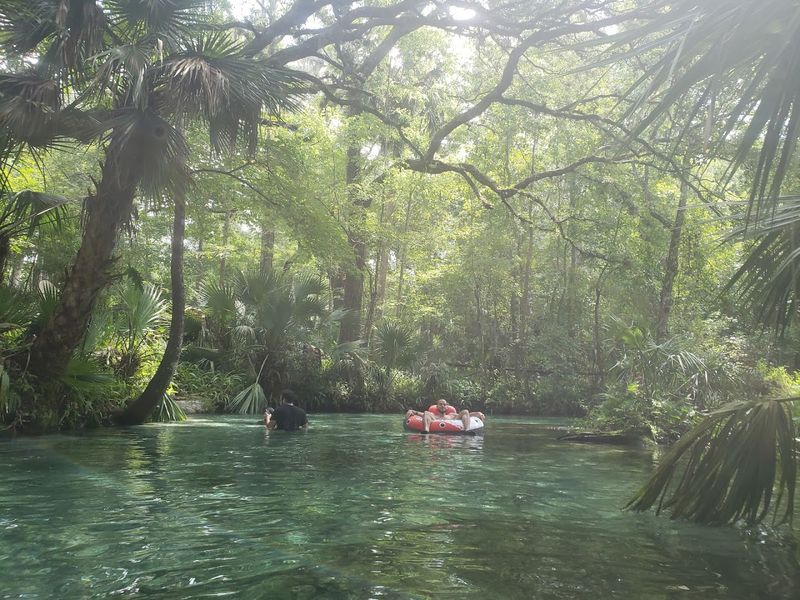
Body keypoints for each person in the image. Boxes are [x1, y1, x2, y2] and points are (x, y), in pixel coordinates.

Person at [406, 398, 485, 433]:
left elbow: (467, 414)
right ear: (437, 406)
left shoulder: (452, 415)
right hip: (434, 427)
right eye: (440, 404)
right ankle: (426, 431)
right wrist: (413, 411)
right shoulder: (432, 414)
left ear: (447, 406)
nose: (443, 406)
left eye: (444, 404)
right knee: (426, 412)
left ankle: (467, 430)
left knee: (465, 411)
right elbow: (421, 414)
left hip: (454, 431)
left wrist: (477, 414)